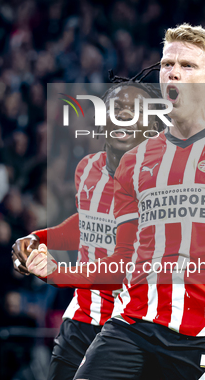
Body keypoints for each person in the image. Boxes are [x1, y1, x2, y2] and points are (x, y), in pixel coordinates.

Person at [27, 24, 205, 379]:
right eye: (168, 64)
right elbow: (120, 260)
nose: (174, 72)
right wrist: (57, 271)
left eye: (188, 66)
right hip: (132, 323)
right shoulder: (134, 163)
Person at [12, 68, 162, 380]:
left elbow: (121, 264)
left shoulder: (158, 183)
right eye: (116, 109)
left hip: (132, 327)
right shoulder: (88, 168)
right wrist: (39, 238)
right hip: (81, 318)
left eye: (135, 112)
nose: (123, 116)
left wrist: (57, 274)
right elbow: (89, 226)